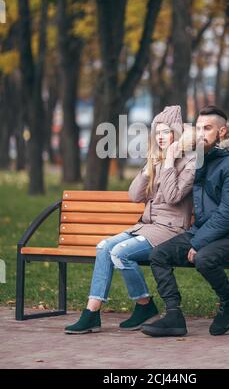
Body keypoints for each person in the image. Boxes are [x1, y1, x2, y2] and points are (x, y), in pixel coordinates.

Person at [64, 105, 196, 334]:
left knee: (119, 252)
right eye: (157, 132)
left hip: (171, 229)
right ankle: (92, 313)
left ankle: (144, 305)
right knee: (104, 247)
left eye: (166, 132)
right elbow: (134, 195)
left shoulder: (191, 162)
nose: (160, 137)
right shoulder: (156, 160)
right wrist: (149, 166)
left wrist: (168, 163)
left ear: (176, 134)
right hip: (147, 227)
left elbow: (174, 196)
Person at [141, 105, 229, 338]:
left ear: (222, 131)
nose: (201, 133)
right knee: (158, 255)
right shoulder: (204, 158)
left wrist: (199, 242)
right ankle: (173, 315)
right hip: (204, 231)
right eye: (198, 128)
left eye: (207, 128)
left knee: (204, 258)